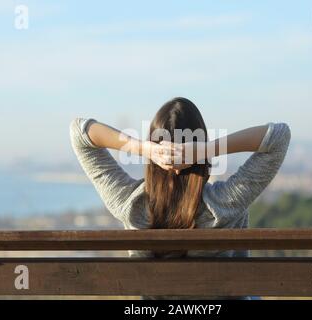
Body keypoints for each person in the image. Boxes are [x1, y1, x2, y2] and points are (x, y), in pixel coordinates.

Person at [70, 97, 291, 300]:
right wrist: (206, 149)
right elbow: (279, 136)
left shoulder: (131, 205)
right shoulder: (223, 204)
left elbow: (79, 133)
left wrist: (145, 149)